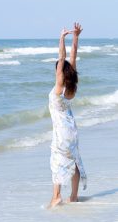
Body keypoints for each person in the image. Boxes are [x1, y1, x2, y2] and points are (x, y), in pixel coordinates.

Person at [48, 22, 87, 208]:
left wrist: (62, 37)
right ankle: (73, 196)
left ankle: (56, 196)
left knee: (57, 160)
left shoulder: (58, 88)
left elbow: (63, 57)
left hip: (61, 132)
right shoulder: (71, 88)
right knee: (75, 160)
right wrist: (76, 37)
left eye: (58, 69)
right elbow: (72, 57)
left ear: (60, 73)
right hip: (72, 129)